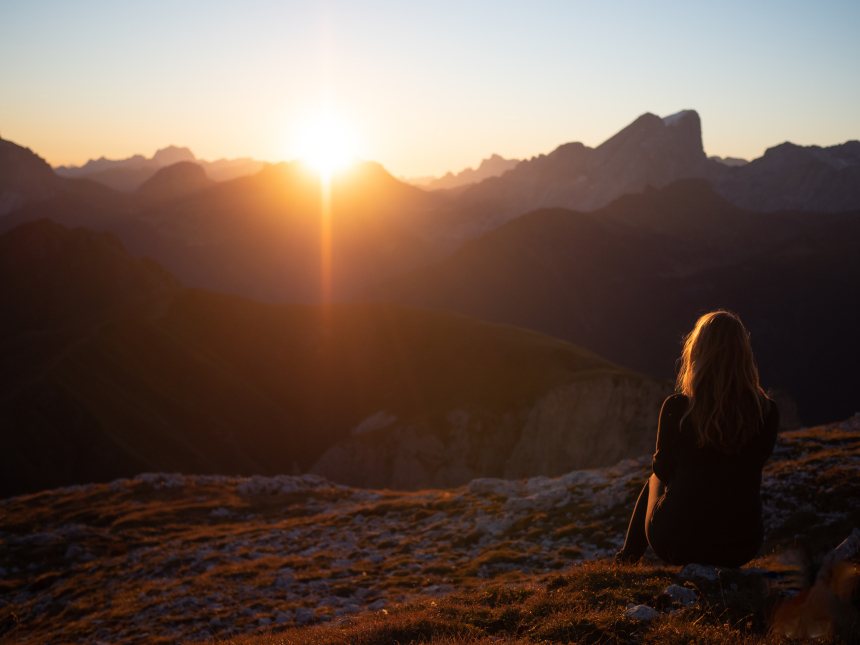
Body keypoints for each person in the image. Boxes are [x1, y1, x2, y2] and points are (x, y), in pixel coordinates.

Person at [615, 310, 780, 567]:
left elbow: (662, 470)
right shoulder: (767, 412)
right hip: (740, 545)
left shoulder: (678, 407)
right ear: (744, 355)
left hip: (677, 542)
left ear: (698, 352)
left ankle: (626, 560)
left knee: (653, 478)